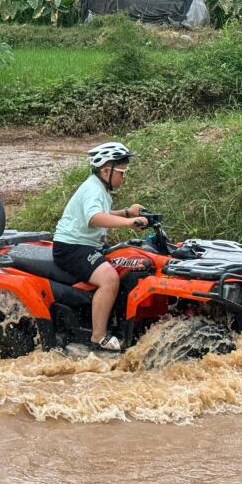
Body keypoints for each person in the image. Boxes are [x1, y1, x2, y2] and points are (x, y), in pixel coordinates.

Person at [52, 141, 147, 352]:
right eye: (122, 172)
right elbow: (95, 218)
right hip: (71, 247)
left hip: (84, 245)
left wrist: (126, 213)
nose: (124, 177)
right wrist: (129, 223)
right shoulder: (93, 189)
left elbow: (103, 213)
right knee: (110, 278)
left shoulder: (98, 187)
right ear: (106, 170)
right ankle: (99, 337)